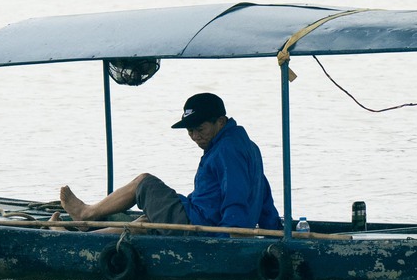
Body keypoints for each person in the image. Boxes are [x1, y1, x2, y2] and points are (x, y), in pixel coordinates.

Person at [59, 92, 281, 229]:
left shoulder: (227, 150)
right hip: (200, 215)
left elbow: (236, 197)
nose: (195, 137)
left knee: (144, 183)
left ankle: (86, 214)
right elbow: (262, 191)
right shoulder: (247, 146)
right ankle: (83, 232)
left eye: (200, 129)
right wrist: (274, 228)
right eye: (190, 131)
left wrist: (226, 241)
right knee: (146, 224)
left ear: (220, 122)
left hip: (203, 226)